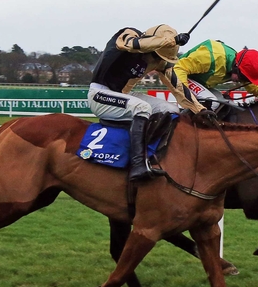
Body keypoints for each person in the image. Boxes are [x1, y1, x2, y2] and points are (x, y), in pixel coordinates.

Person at [88, 24, 206, 181]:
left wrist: (200, 109)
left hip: (123, 95)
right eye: (156, 56)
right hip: (99, 94)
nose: (157, 61)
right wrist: (170, 41)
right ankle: (137, 164)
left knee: (170, 109)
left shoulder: (159, 61)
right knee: (142, 107)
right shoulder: (127, 34)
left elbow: (177, 87)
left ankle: (157, 155)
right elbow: (132, 45)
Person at [172, 40, 258, 112]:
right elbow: (178, 69)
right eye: (243, 77)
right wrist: (187, 97)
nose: (242, 80)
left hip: (193, 78)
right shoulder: (210, 57)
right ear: (236, 66)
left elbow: (255, 89)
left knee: (224, 103)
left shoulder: (241, 66)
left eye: (246, 79)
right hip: (176, 73)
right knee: (211, 102)